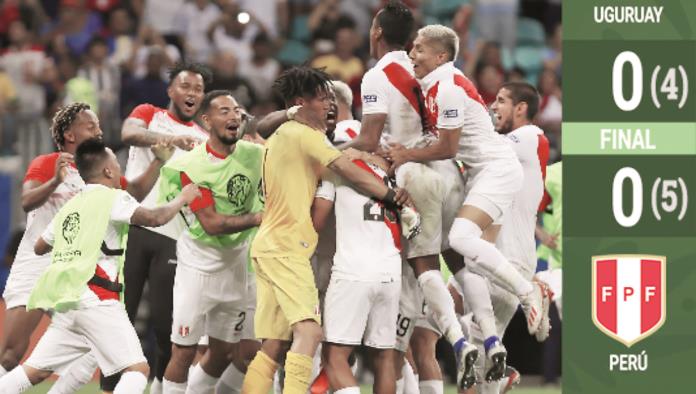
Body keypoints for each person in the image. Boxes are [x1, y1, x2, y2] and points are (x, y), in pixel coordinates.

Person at [387, 24, 547, 383]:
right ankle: (490, 350)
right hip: (481, 177)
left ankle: (526, 292)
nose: (413, 55)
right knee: (461, 257)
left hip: (496, 172)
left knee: (459, 240)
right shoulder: (435, 85)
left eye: (420, 50)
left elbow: (447, 147)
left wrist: (405, 154)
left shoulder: (448, 89)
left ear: (441, 56)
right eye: (411, 49)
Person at [241, 66, 411, 394]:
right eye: (322, 99)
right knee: (311, 333)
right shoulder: (305, 134)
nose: (329, 105)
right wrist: (392, 195)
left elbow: (265, 128)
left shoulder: (283, 135)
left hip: (269, 245)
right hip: (287, 247)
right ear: (301, 104)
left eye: (332, 98)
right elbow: (346, 169)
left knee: (274, 345)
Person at [341, 2, 477, 388]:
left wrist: (323, 154)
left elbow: (368, 140)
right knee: (456, 267)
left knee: (404, 310)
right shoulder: (426, 69)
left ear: (376, 32)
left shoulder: (377, 75)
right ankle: (486, 332)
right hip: (450, 172)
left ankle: (461, 341)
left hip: (412, 180)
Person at [0, 138, 200, 393]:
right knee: (138, 370)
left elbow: (40, 246)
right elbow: (154, 217)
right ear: (107, 171)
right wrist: (183, 197)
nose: (119, 169)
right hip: (99, 299)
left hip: (69, 302)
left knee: (35, 371)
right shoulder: (113, 198)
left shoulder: (72, 204)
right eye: (117, 164)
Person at [114, 61, 212, 392]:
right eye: (186, 87)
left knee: (164, 322)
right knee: (119, 316)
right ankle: (110, 387)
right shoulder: (150, 113)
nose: (192, 94)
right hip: (134, 228)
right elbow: (127, 133)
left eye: (198, 90)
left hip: (174, 237)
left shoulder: (204, 138)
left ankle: (160, 385)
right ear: (171, 90)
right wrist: (171, 139)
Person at [158, 90, 264, 393]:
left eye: (237, 111)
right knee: (184, 352)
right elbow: (212, 223)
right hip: (199, 263)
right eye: (224, 111)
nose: (234, 117)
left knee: (224, 353)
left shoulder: (254, 153)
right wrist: (258, 218)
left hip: (238, 264)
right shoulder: (191, 165)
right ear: (206, 120)